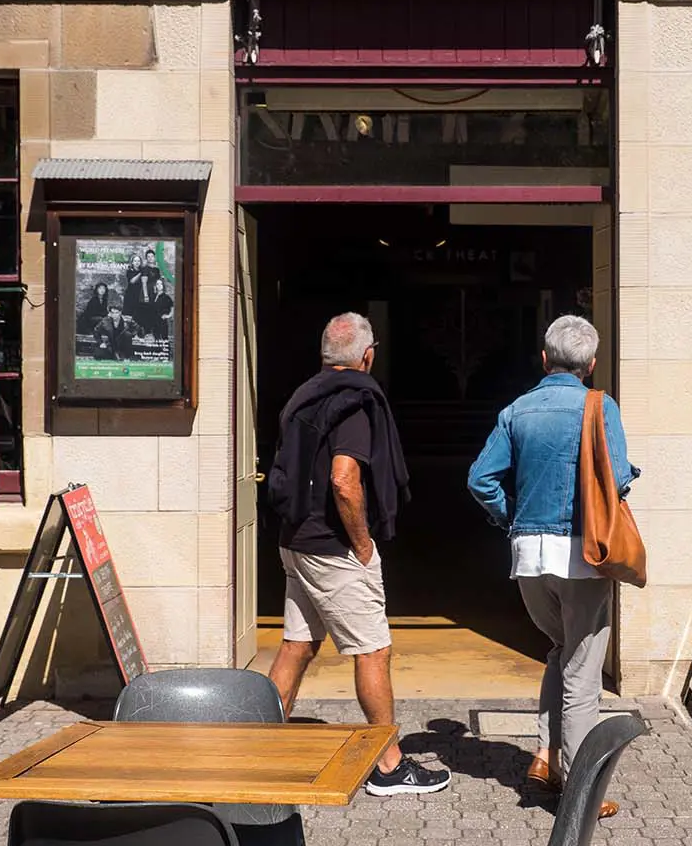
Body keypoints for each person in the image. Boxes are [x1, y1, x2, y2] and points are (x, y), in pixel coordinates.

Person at [265, 312, 450, 797]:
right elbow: (344, 480)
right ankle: (388, 764)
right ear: (367, 356)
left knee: (297, 645)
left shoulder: (302, 396)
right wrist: (363, 545)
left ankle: (261, 742)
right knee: (373, 648)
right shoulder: (354, 402)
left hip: (295, 540)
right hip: (331, 547)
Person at [467, 315, 637, 817]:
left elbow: (481, 479)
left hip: (528, 556)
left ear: (544, 359)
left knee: (561, 651)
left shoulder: (517, 410)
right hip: (584, 557)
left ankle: (544, 755)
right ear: (590, 364)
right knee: (583, 673)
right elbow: (620, 476)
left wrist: (509, 518)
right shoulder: (598, 405)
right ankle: (580, 793)